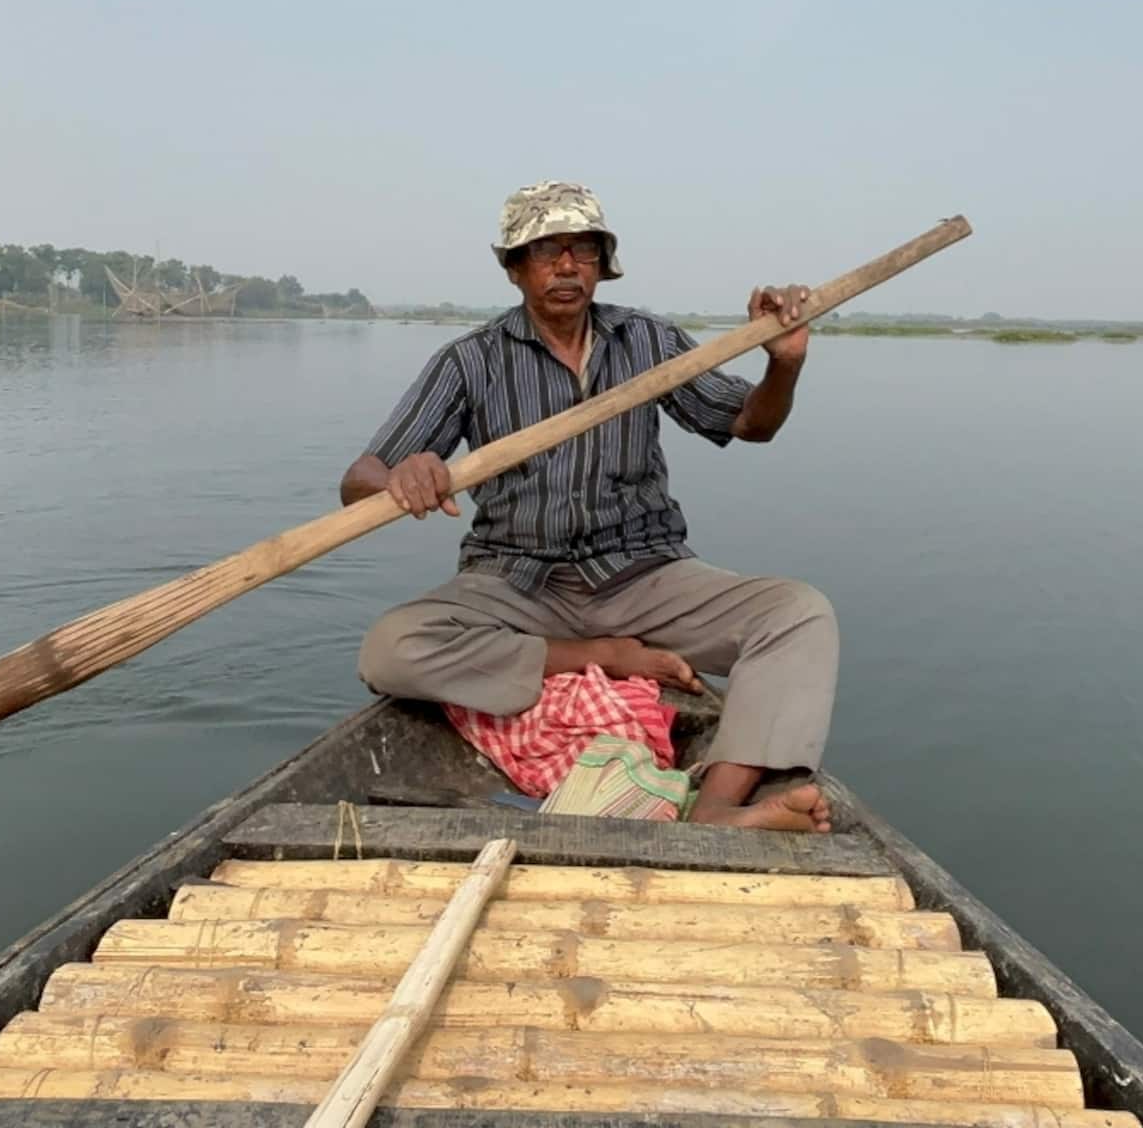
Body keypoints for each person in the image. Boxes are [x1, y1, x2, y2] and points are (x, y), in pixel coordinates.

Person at [339, 180, 838, 833]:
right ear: (516, 270)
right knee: (389, 649)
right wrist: (403, 476)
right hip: (515, 583)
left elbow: (751, 423)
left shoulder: (646, 341)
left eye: (583, 250)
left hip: (643, 574)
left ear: (603, 265)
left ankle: (717, 809)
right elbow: (359, 478)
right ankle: (595, 654)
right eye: (547, 252)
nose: (567, 266)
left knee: (799, 614)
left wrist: (785, 365)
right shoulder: (471, 361)